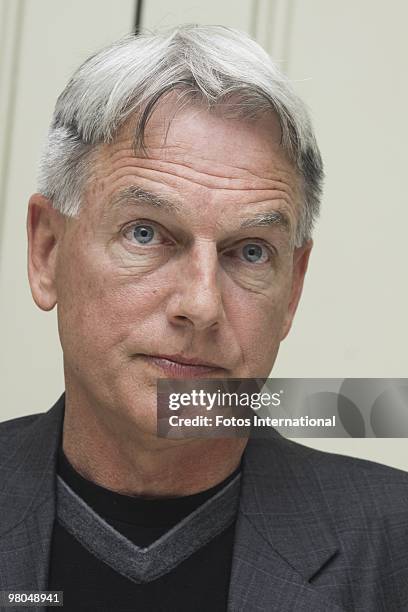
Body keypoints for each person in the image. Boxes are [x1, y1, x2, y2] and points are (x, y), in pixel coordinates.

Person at [0, 24, 407, 612]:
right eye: (146, 234)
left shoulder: (392, 544)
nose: (202, 305)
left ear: (292, 288)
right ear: (47, 252)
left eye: (249, 252)